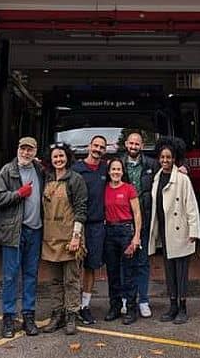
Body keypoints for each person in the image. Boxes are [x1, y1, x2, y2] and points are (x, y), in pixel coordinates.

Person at [0, 136, 44, 338]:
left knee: (31, 275)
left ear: (35, 152)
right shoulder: (8, 171)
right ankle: (8, 317)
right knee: (10, 276)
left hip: (35, 230)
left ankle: (29, 316)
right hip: (14, 231)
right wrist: (19, 193)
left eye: (30, 150)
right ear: (18, 149)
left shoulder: (39, 170)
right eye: (23, 149)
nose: (25, 153)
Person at [148, 137, 200, 325]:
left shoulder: (183, 178)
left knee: (181, 271)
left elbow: (191, 206)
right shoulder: (156, 177)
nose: (164, 160)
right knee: (169, 271)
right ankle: (172, 306)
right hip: (164, 229)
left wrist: (194, 230)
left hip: (181, 230)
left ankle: (183, 307)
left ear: (174, 158)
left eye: (168, 157)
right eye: (162, 157)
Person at [41, 142, 88, 335]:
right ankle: (57, 314)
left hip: (70, 237)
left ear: (67, 157)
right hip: (50, 238)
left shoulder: (75, 179)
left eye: (61, 156)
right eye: (55, 157)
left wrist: (76, 237)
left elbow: (81, 209)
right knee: (54, 281)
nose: (58, 160)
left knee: (71, 280)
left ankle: (71, 315)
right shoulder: (47, 177)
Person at [121, 131, 158, 318]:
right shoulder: (117, 164)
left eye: (137, 144)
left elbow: (169, 170)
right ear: (126, 144)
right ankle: (127, 300)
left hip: (144, 219)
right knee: (125, 263)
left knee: (142, 262)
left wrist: (183, 167)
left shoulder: (152, 164)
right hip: (123, 221)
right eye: (131, 143)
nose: (134, 146)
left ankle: (143, 300)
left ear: (142, 146)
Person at [72, 135, 108, 325]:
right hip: (77, 224)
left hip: (96, 225)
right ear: (89, 146)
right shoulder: (76, 169)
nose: (98, 149)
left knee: (91, 266)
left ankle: (85, 306)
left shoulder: (106, 168)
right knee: (73, 265)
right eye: (95, 145)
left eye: (102, 147)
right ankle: (71, 306)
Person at [103, 157, 142, 325]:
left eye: (119, 169)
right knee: (112, 273)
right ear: (109, 171)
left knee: (129, 273)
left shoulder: (129, 189)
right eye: (113, 169)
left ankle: (131, 309)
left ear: (122, 171)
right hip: (109, 232)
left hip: (126, 231)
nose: (116, 172)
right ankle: (115, 307)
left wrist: (136, 236)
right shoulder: (104, 189)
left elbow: (137, 214)